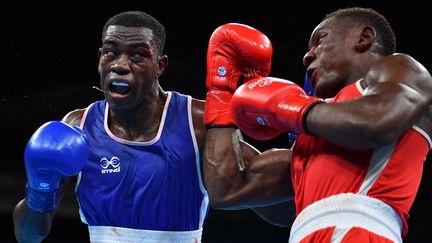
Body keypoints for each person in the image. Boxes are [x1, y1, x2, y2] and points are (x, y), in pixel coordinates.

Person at [12, 11, 291, 243]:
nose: (120, 65)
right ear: (99, 57)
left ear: (160, 65)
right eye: (110, 53)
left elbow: (278, 211)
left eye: (137, 56)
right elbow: (29, 235)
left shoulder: (197, 122)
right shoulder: (78, 127)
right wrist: (40, 187)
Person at [203, 7, 432, 242]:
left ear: (363, 38)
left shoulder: (402, 71)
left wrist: (287, 106)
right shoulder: (310, 139)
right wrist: (221, 93)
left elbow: (376, 122)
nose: (307, 56)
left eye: (320, 39)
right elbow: (228, 188)